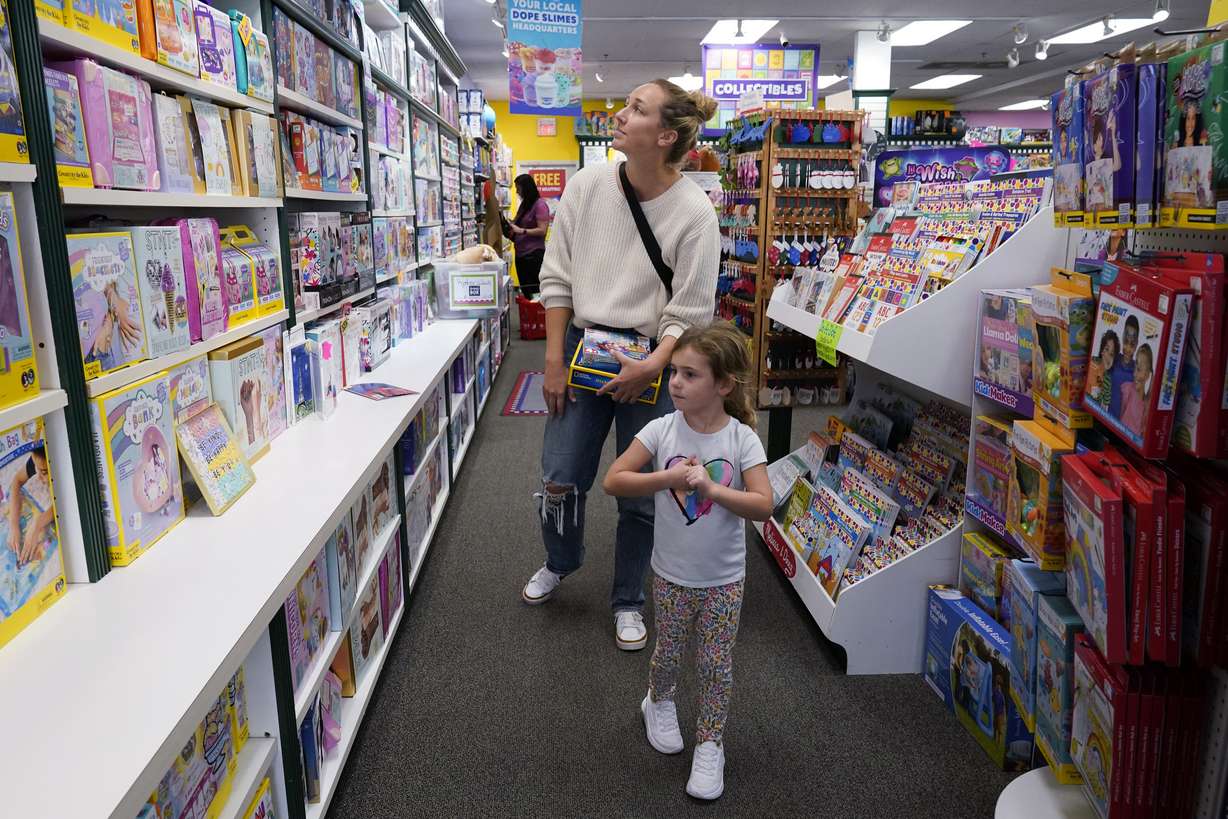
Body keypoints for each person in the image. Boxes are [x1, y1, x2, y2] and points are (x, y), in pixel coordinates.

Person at [520, 80, 721, 653]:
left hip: (655, 365)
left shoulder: (695, 214)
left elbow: (690, 311)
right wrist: (552, 360)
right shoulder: (587, 186)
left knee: (640, 493)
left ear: (664, 135)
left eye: (635, 108)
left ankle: (629, 598)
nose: (618, 113)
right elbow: (555, 276)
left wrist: (652, 365)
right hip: (583, 352)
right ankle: (560, 560)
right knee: (559, 475)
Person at [602, 321, 771, 799]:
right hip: (671, 574)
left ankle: (710, 743)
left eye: (689, 375)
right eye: (673, 372)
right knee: (669, 653)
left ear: (723, 385)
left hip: (724, 578)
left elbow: (763, 504)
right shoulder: (661, 429)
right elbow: (614, 480)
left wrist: (714, 489)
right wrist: (668, 479)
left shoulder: (741, 440)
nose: (674, 382)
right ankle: (658, 701)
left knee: (717, 665)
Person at [505, 174, 551, 297]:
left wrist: (522, 231)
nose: (517, 192)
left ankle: (535, 315)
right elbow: (516, 222)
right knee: (526, 291)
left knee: (534, 291)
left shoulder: (540, 205)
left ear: (526, 188)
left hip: (533, 255)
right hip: (521, 255)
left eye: (518, 188)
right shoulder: (525, 204)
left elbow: (542, 230)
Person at [1108, 315, 1139, 418]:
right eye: (1126, 342)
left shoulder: (1137, 371)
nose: (1128, 348)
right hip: (1105, 417)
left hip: (1123, 427)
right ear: (1122, 338)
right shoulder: (1113, 359)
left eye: (1132, 344)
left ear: (1137, 344)